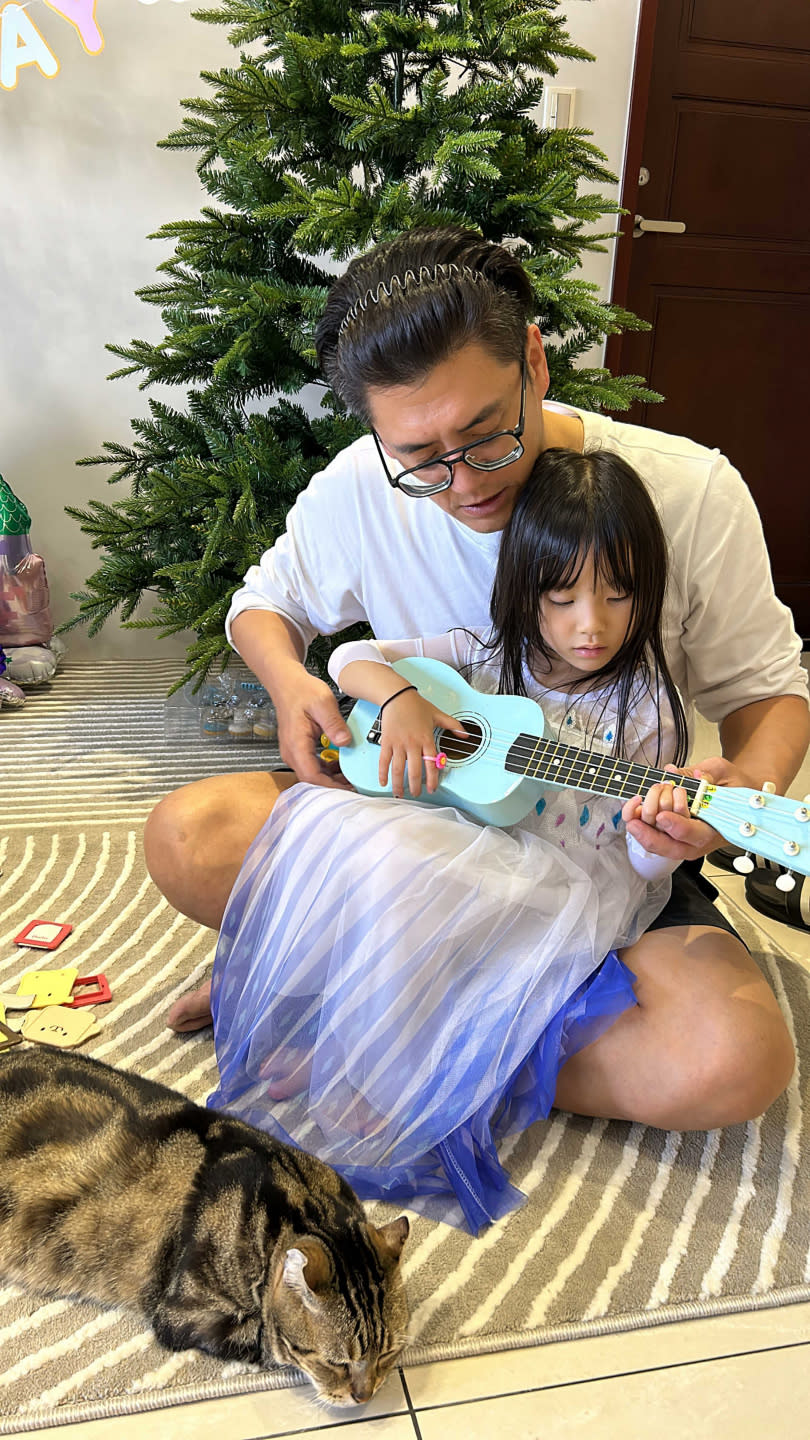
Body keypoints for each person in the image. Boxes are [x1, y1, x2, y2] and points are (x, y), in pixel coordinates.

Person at [144, 225, 808, 1134]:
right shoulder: (357, 489)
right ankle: (414, 1000)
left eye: (484, 435)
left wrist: (742, 790)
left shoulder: (687, 494)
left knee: (731, 1063)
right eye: (419, 456)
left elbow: (767, 689)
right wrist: (290, 682)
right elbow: (267, 607)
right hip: (415, 832)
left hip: (592, 851)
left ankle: (382, 1017)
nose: (461, 484)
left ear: (533, 360)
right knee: (188, 837)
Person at [208, 447, 691, 1230]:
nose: (589, 624)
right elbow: (350, 658)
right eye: (562, 596)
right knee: (343, 830)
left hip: (574, 879)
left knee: (405, 866)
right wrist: (398, 697)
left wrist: (661, 839)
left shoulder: (649, 711)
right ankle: (325, 1023)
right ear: (524, 588)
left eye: (617, 595)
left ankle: (383, 1076)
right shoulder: (486, 652)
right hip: (468, 839)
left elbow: (635, 865)